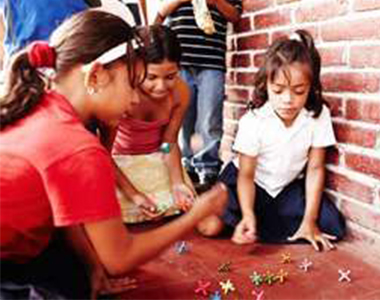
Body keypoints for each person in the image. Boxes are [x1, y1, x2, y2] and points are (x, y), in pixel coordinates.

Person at [0, 10, 227, 299]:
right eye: (133, 84)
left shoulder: (41, 105)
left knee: (79, 273)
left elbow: (64, 213)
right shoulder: (79, 146)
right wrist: (196, 214)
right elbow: (119, 258)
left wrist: (93, 268)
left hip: (21, 248)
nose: (135, 98)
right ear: (96, 75)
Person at [198, 30, 346, 252]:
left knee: (333, 226)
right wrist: (247, 213)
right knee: (209, 226)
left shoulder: (318, 114)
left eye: (298, 91)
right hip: (248, 184)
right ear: (266, 86)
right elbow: (246, 175)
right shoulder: (254, 120)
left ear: (311, 88)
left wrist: (310, 221)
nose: (287, 100)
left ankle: (265, 224)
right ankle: (243, 217)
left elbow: (315, 169)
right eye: (278, 90)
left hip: (285, 187)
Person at [110, 24, 196, 224]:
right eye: (151, 77)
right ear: (136, 67)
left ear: (179, 69)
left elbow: (169, 143)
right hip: (119, 164)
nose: (161, 86)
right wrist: (134, 195)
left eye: (170, 77)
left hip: (160, 157)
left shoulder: (181, 93)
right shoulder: (121, 93)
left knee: (186, 208)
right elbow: (104, 155)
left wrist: (176, 182)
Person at [155, 0, 242, 189]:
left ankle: (208, 168)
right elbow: (160, 12)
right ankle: (186, 164)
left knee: (210, 117)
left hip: (212, 61)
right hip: (179, 62)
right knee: (182, 119)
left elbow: (235, 16)